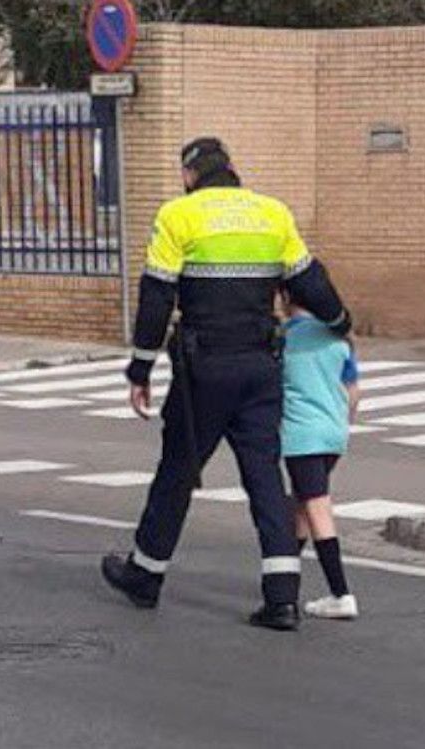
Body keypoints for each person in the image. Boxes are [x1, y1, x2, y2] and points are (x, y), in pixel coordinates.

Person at [101, 137, 353, 632]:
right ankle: (282, 599)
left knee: (178, 469)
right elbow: (309, 281)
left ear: (189, 176)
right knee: (264, 477)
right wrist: (341, 320)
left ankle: (145, 575)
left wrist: (140, 369)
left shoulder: (179, 215)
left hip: (204, 371)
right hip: (261, 367)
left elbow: (156, 296)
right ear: (233, 169)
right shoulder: (272, 214)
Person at [280, 295, 362, 620]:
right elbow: (354, 392)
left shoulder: (283, 338)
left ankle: (340, 592)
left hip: (302, 435)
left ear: (286, 298)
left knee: (317, 508)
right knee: (303, 504)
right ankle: (284, 576)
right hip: (334, 433)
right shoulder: (338, 337)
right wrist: (344, 424)